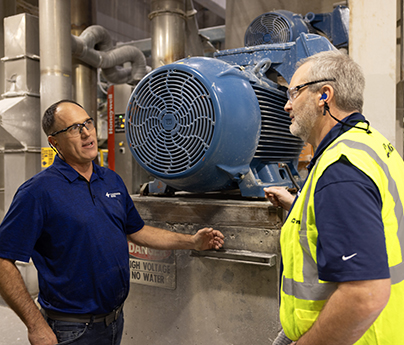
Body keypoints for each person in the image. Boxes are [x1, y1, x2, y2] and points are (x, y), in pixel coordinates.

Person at [0, 99, 225, 345]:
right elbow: (3, 261)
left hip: (114, 321)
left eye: (88, 123)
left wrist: (192, 241)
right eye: (74, 128)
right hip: (70, 330)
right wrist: (36, 326)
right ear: (55, 142)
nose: (86, 133)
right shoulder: (38, 191)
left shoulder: (111, 181)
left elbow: (137, 231)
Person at [264, 50, 404, 345]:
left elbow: (364, 295)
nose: (287, 105)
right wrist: (296, 204)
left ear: (324, 95)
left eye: (294, 92)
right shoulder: (373, 145)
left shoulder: (341, 170)